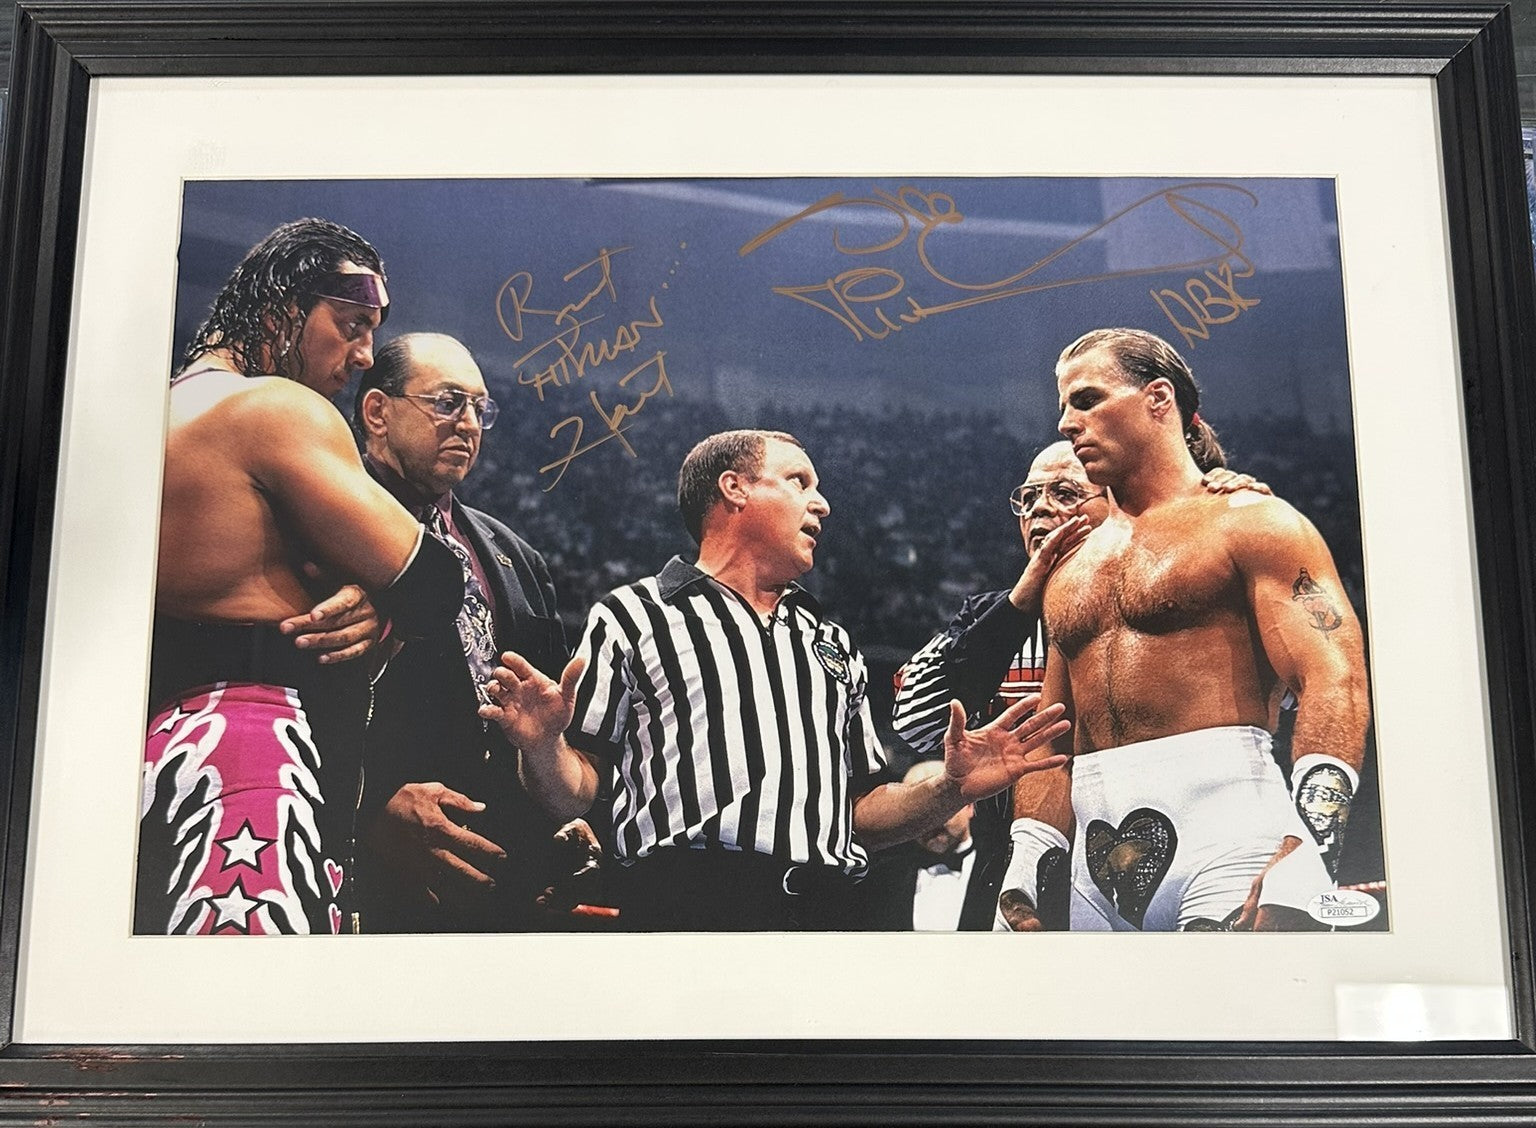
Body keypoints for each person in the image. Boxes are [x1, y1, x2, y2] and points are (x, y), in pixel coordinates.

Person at [479, 428, 1072, 931]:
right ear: (734, 488)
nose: (822, 505)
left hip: (826, 911)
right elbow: (578, 793)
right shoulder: (634, 616)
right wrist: (542, 746)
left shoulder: (830, 641)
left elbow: (862, 813)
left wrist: (952, 787)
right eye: (799, 482)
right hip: (683, 908)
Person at [137, 219, 462, 937]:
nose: (363, 355)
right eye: (350, 326)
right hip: (247, 757)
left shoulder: (152, 414)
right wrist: (381, 600)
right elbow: (435, 580)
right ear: (282, 313)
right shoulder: (274, 407)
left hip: (158, 747)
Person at [1004, 326, 1370, 932]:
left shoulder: (1254, 522)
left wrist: (1313, 846)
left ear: (1158, 398)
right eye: (1064, 406)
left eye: (1087, 400)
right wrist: (1025, 871)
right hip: (1092, 868)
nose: (1067, 423)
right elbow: (1053, 735)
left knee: (1231, 998)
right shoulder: (1070, 565)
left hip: (1229, 838)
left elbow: (1334, 678)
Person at [894, 439, 1264, 930]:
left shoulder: (1177, 609)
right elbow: (915, 722)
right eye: (1028, 497)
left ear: (1122, 503)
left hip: (1168, 864)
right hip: (1011, 879)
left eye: (1065, 493)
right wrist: (1019, 605)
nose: (1040, 508)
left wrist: (1223, 517)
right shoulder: (990, 615)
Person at [350, 332, 584, 932]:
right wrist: (366, 810)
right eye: (448, 402)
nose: (470, 424)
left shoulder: (518, 556)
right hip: (373, 882)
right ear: (377, 412)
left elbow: (546, 727)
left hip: (509, 883)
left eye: (480, 408)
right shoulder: (321, 525)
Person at [853, 761, 987, 931]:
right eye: (918, 813)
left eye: (943, 806)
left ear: (969, 806)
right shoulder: (882, 881)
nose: (931, 821)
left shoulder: (1005, 867)